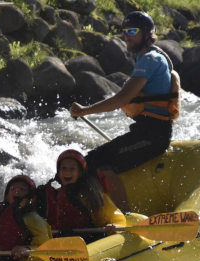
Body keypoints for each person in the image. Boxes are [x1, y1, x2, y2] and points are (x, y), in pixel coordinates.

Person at [69, 11, 180, 211]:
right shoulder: (145, 58)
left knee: (101, 163)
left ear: (146, 34)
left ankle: (124, 218)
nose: (126, 35)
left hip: (154, 136)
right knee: (88, 162)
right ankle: (94, 213)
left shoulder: (150, 59)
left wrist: (84, 111)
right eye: (124, 31)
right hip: (144, 132)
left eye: (132, 30)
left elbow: (122, 99)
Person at [37, 149, 126, 243]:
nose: (67, 172)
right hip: (64, 239)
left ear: (80, 172)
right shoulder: (52, 192)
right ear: (59, 171)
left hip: (91, 239)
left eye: (72, 169)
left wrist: (116, 226)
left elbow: (115, 216)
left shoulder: (89, 194)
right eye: (64, 168)